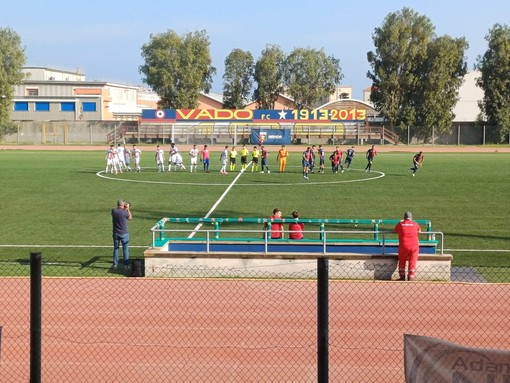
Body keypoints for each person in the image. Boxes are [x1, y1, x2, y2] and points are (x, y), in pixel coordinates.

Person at [394, 211, 422, 281]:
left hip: (404, 245)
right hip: (414, 245)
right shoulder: (415, 224)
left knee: (402, 260)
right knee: (413, 260)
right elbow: (420, 231)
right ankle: (411, 276)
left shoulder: (400, 224)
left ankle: (402, 275)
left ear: (404, 218)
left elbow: (395, 230)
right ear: (411, 218)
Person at [111, 199, 132, 270]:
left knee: (116, 249)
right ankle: (126, 265)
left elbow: (118, 210)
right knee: (125, 249)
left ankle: (115, 265)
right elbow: (130, 218)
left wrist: (125, 208)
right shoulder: (125, 212)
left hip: (116, 233)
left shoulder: (113, 211)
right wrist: (128, 209)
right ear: (123, 205)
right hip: (124, 233)